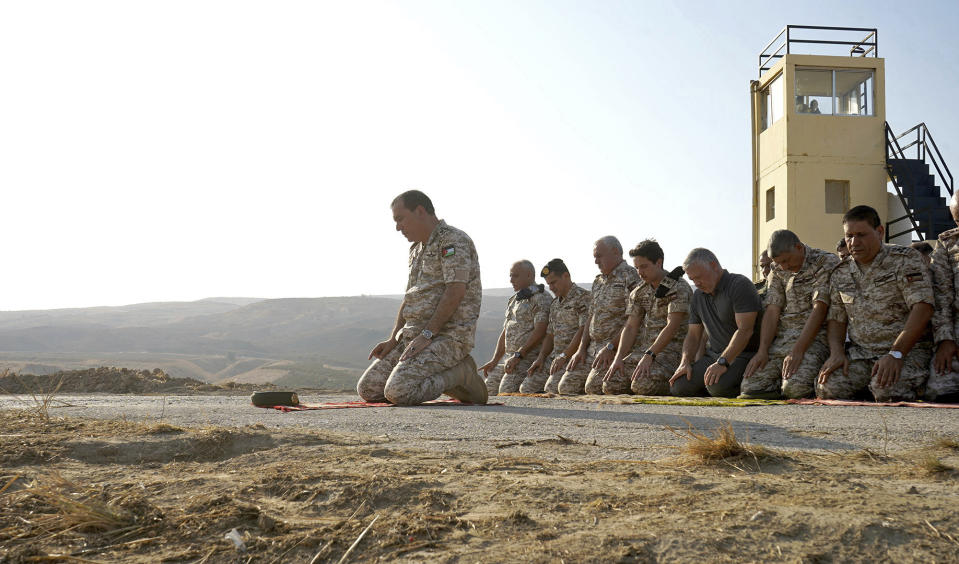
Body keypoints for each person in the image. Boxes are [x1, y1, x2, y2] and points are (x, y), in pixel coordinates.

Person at [357, 190, 488, 405]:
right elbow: (410, 297)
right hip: (415, 338)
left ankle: (460, 373)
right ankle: (440, 376)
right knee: (368, 389)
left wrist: (428, 333)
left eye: (401, 219)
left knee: (399, 392)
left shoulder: (453, 241)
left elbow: (455, 290)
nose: (398, 227)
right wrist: (393, 338)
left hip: (447, 337)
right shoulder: (416, 250)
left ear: (420, 211)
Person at [817, 205, 934, 402]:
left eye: (861, 235)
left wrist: (896, 354)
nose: (854, 242)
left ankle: (912, 384)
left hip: (906, 351)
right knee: (827, 387)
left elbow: (923, 308)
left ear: (880, 232)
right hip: (862, 354)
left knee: (886, 391)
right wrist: (836, 353)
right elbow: (837, 319)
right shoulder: (841, 272)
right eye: (849, 236)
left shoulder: (905, 260)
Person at [741, 230, 840, 399]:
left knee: (794, 389)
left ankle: (801, 384)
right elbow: (772, 310)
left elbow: (820, 309)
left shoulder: (825, 262)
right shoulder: (777, 268)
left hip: (814, 339)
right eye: (779, 263)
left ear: (799, 247)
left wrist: (798, 351)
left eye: (786, 260)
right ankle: (781, 385)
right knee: (751, 387)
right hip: (784, 338)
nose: (784, 267)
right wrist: (763, 350)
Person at [670, 248, 763, 397]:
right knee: (678, 386)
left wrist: (722, 362)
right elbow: (693, 335)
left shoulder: (739, 285)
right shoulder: (698, 296)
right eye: (692, 280)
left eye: (699, 277)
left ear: (713, 266)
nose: (697, 283)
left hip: (743, 355)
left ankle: (752, 386)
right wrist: (685, 362)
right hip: (713, 356)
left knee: (717, 387)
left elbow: (745, 330)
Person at [605, 239, 692, 395]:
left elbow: (672, 325)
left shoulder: (677, 287)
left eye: (644, 266)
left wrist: (650, 354)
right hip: (645, 352)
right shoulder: (640, 291)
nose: (640, 272)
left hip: (671, 353)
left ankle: (679, 385)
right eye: (637, 267)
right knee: (609, 384)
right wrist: (619, 358)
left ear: (659, 263)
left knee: (642, 385)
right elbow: (631, 327)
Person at [559, 236, 640, 395]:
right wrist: (581, 349)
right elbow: (591, 316)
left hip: (614, 349)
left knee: (595, 388)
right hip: (592, 350)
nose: (596, 261)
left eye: (599, 256)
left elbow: (634, 320)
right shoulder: (598, 282)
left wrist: (612, 347)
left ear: (615, 252)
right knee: (565, 387)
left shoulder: (630, 277)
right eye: (595, 257)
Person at [479, 260, 551, 395]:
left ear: (529, 275)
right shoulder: (515, 299)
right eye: (511, 276)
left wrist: (519, 355)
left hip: (527, 359)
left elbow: (540, 331)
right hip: (511, 359)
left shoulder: (541, 298)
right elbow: (506, 331)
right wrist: (495, 360)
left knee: (506, 391)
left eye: (515, 276)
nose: (511, 280)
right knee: (486, 390)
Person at [529, 259, 590, 394]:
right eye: (548, 284)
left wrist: (564, 355)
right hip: (555, 358)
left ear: (566, 276)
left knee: (553, 388)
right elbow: (550, 335)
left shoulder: (583, 298)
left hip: (572, 357)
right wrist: (541, 357)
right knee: (527, 387)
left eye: (553, 282)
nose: (551, 288)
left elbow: (583, 329)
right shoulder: (555, 304)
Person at [925, 194, 959, 402]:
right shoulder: (948, 243)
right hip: (956, 329)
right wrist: (946, 339)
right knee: (939, 388)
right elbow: (941, 294)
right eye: (958, 221)